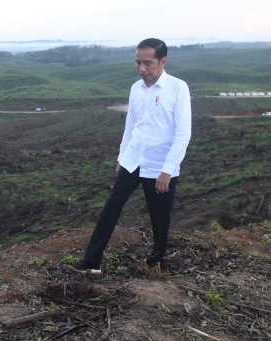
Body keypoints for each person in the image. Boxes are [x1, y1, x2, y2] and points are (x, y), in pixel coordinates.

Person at [69, 38, 191, 276]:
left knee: (159, 217)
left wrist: (168, 168)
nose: (142, 69)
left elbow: (183, 132)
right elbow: (130, 126)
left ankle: (156, 263)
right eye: (138, 63)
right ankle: (91, 262)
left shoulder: (178, 88)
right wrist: (122, 156)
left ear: (163, 61)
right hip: (133, 159)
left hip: (160, 164)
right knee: (110, 208)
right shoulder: (136, 88)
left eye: (148, 63)